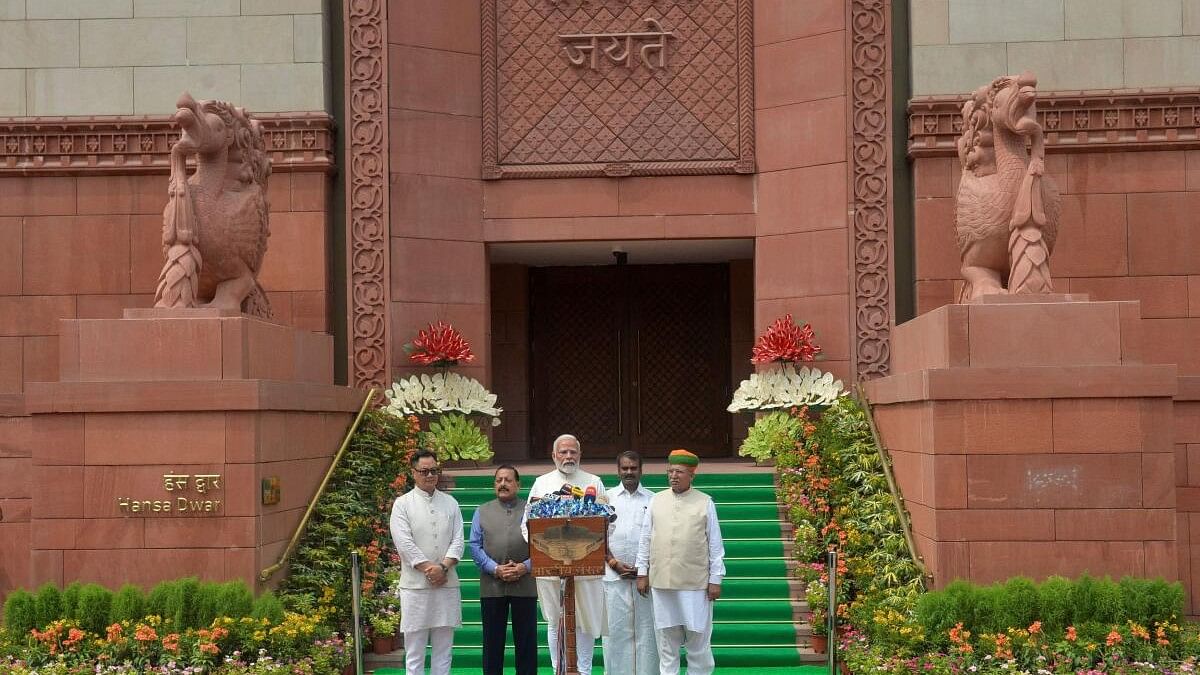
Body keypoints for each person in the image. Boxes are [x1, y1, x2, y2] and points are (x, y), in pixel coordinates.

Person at [635, 449, 725, 675]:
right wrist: (641, 572)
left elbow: (715, 544)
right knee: (666, 641)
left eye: (680, 472)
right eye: (671, 471)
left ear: (691, 475)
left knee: (698, 640)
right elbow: (646, 538)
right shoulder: (656, 500)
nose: (674, 476)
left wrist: (716, 579)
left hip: (695, 584)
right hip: (662, 583)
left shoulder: (705, 502)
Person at [525, 434, 608, 675]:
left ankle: (584, 671)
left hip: (586, 569)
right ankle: (557, 670)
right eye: (563, 452)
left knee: (586, 622)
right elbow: (527, 525)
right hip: (551, 568)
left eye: (573, 452)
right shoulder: (541, 483)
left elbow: (607, 523)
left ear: (580, 455)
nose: (568, 456)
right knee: (554, 621)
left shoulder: (594, 482)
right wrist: (547, 551)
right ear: (554, 456)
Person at [389, 449, 465, 675]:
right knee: (415, 652)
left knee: (444, 650)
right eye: (424, 471)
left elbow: (458, 540)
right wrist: (428, 569)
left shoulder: (451, 503)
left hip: (447, 583)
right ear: (413, 473)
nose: (430, 475)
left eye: (434, 470)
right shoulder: (402, 504)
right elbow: (404, 544)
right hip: (415, 587)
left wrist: (443, 568)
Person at [468, 465, 537, 675]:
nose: (503, 484)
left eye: (508, 480)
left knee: (526, 643)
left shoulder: (531, 511)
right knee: (492, 642)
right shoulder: (482, 511)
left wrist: (524, 567)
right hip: (492, 586)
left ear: (518, 484)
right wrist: (496, 569)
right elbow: (474, 545)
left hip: (524, 584)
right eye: (499, 480)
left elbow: (543, 545)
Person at [603, 450, 659, 675]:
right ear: (618, 470)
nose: (628, 472)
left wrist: (643, 569)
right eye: (624, 468)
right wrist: (613, 562)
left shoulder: (654, 500)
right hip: (612, 576)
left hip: (644, 578)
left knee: (647, 633)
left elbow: (658, 538)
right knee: (615, 634)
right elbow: (597, 536)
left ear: (641, 470)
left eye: (633, 468)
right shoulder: (605, 499)